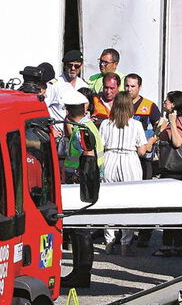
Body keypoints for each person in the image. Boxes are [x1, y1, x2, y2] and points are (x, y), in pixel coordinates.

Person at [99, 92, 155, 256]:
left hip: (110, 159)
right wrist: (151, 141)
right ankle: (125, 243)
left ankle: (109, 241)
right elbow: (142, 151)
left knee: (109, 203)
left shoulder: (106, 124)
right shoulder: (136, 125)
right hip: (129, 160)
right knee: (129, 203)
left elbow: (100, 145)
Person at [62, 89, 104, 288]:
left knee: (81, 230)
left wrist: (77, 177)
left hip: (82, 184)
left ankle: (82, 273)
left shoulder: (84, 130)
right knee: (78, 230)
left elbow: (88, 156)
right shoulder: (84, 126)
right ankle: (78, 271)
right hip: (85, 182)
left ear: (70, 110)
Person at [152, 90, 182, 257]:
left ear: (174, 104)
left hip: (175, 172)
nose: (164, 104)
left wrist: (173, 123)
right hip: (171, 171)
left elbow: (177, 142)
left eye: (166, 101)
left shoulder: (180, 120)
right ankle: (173, 244)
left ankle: (170, 245)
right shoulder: (173, 120)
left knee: (171, 210)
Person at [125, 73, 163, 248]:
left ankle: (145, 233)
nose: (129, 89)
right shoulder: (121, 104)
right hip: (126, 156)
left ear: (139, 87)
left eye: (132, 86)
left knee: (145, 196)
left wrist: (151, 141)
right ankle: (124, 233)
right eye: (127, 85)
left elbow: (162, 126)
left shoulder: (149, 106)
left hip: (144, 158)